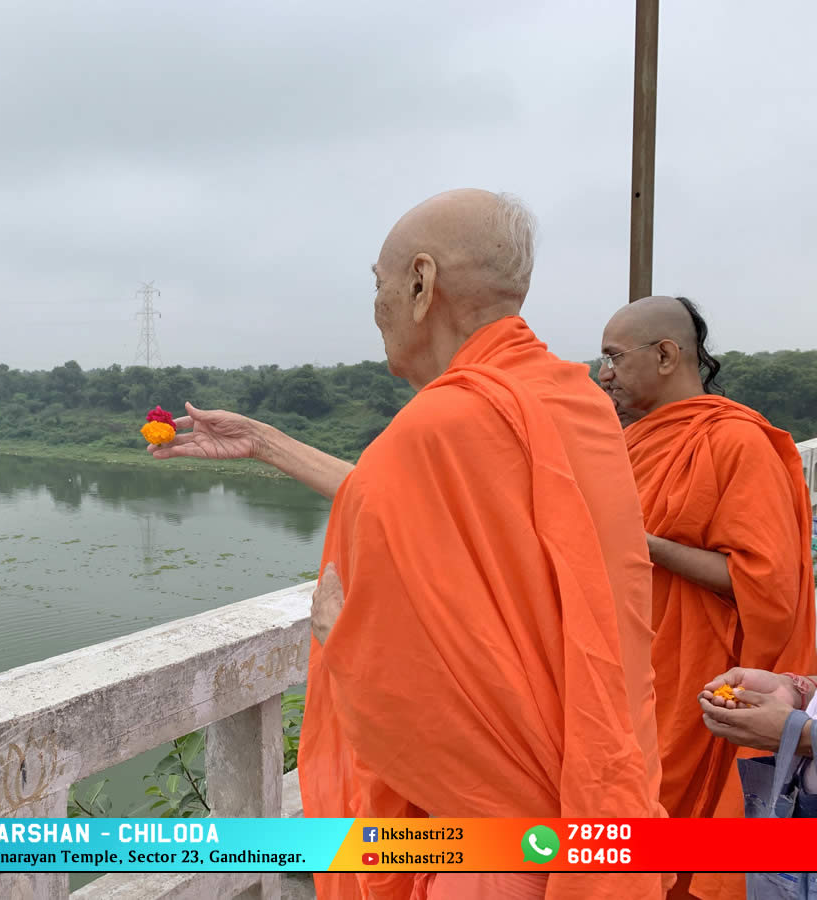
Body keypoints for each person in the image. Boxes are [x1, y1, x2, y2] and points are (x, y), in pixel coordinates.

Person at [154, 189, 667, 899]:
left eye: (380, 283)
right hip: (598, 795)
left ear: (422, 284)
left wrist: (342, 635)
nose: (377, 305)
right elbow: (409, 497)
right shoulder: (573, 398)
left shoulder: (439, 425)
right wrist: (267, 444)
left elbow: (402, 684)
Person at [599, 297, 817, 900]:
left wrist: (646, 545)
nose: (604, 374)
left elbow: (766, 583)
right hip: (629, 667)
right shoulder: (630, 442)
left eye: (614, 357)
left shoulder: (735, 442)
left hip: (700, 675)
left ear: (666, 354)